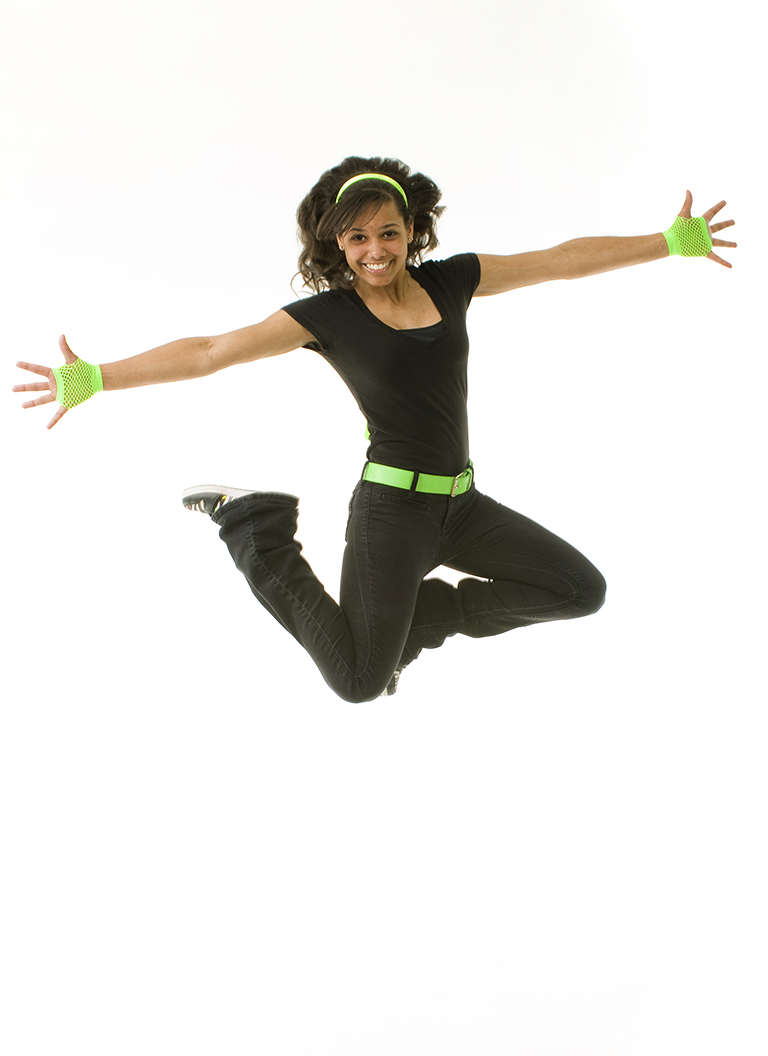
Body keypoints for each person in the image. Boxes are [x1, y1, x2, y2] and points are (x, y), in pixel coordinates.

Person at [14, 157, 736, 701]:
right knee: (359, 680)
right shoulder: (327, 317)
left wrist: (668, 241)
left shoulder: (453, 280)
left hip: (461, 506)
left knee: (578, 589)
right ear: (338, 243)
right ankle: (252, 525)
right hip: (392, 513)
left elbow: (559, 261)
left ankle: (416, 622)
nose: (375, 250)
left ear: (411, 230)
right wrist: (96, 377)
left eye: (388, 232)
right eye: (357, 237)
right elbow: (210, 351)